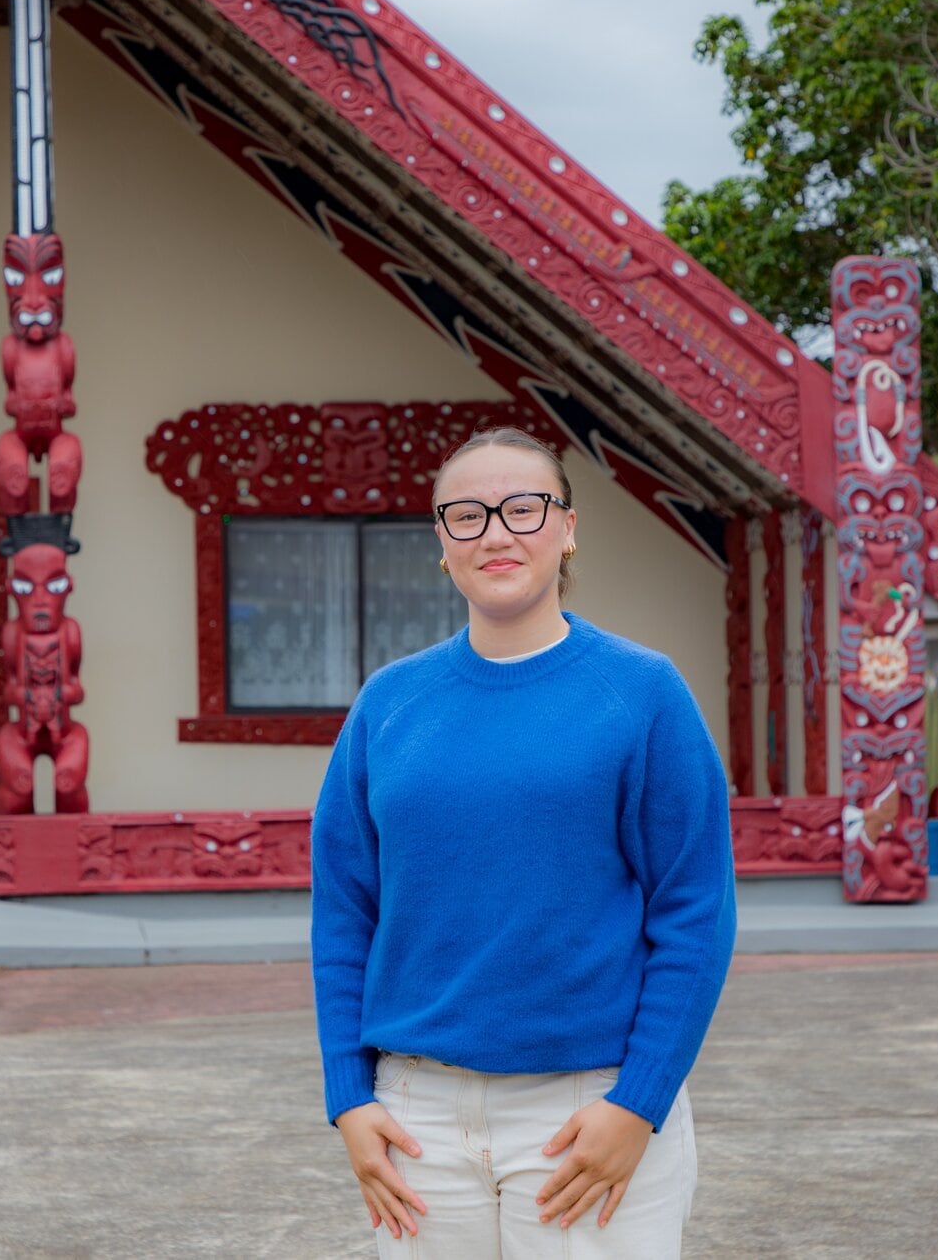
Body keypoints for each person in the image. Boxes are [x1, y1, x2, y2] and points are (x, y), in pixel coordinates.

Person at [310, 427, 737, 1257]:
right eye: (465, 514)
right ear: (441, 541)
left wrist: (637, 1102)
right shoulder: (389, 704)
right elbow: (343, 914)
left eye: (523, 508)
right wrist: (349, 1097)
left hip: (587, 1109)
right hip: (415, 1118)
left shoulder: (643, 694)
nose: (496, 533)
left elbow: (694, 914)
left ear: (568, 527)